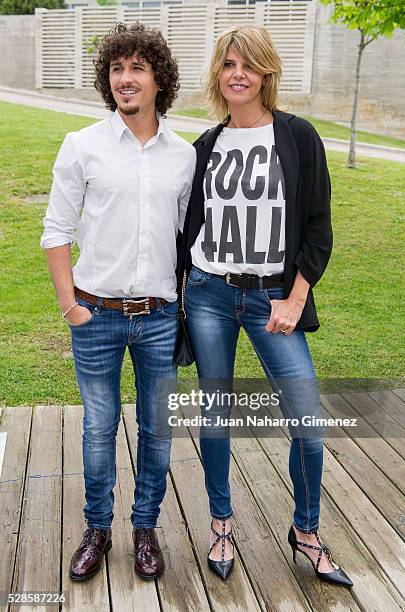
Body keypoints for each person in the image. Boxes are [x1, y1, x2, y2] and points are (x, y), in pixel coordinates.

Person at [177, 25, 353, 586]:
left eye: (248, 65)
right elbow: (189, 226)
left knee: (307, 420)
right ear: (217, 74)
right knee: (216, 411)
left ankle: (306, 532)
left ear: (266, 73)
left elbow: (319, 227)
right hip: (208, 292)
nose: (237, 74)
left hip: (273, 298)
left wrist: (295, 298)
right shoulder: (207, 145)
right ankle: (221, 522)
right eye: (228, 64)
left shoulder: (298, 137)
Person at [40, 23, 195, 582]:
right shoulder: (82, 144)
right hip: (95, 313)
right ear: (109, 81)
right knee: (98, 427)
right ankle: (97, 529)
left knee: (157, 430)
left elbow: (186, 237)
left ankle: (145, 528)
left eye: (138, 68)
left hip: (156, 318)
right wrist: (70, 307)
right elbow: (56, 230)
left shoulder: (183, 156)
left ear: (159, 80)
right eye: (116, 69)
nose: (126, 79)